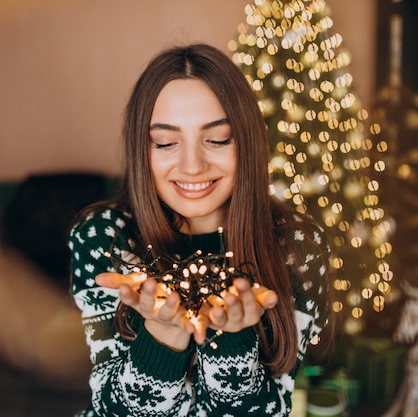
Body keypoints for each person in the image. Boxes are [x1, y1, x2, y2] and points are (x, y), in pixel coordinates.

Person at [68, 43, 330, 416]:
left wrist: (232, 341)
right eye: (166, 142)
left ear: (247, 142)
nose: (192, 166)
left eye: (218, 139)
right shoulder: (103, 239)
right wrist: (162, 337)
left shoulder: (298, 246)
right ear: (143, 149)